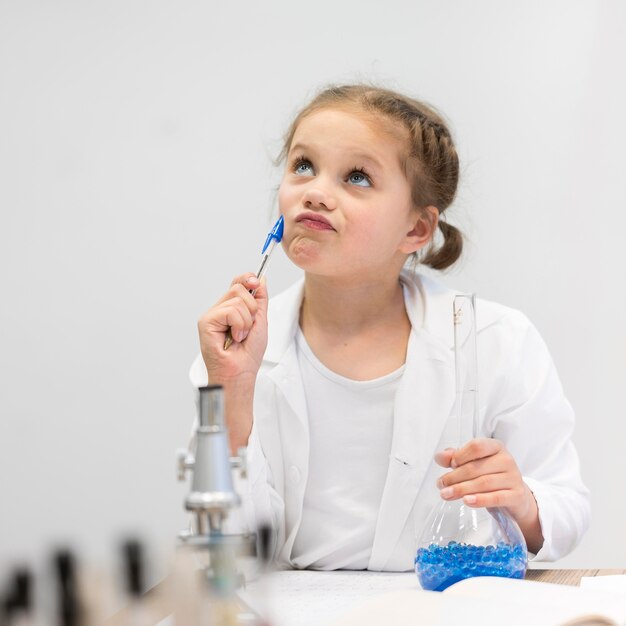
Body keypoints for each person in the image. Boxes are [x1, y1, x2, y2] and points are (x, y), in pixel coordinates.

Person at [190, 84, 590, 572]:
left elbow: (567, 505)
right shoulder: (236, 352)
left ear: (416, 230)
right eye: (302, 166)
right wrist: (231, 395)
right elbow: (226, 550)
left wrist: (525, 502)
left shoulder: (497, 340)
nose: (315, 192)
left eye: (356, 177)